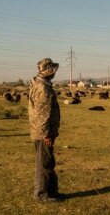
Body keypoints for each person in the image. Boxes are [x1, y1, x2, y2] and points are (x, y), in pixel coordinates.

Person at [28, 58, 64, 202]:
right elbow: (42, 114)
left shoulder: (41, 85)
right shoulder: (43, 88)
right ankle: (41, 194)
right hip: (43, 133)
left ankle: (52, 192)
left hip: (41, 132)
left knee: (48, 161)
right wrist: (46, 134)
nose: (55, 73)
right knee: (44, 163)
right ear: (49, 72)